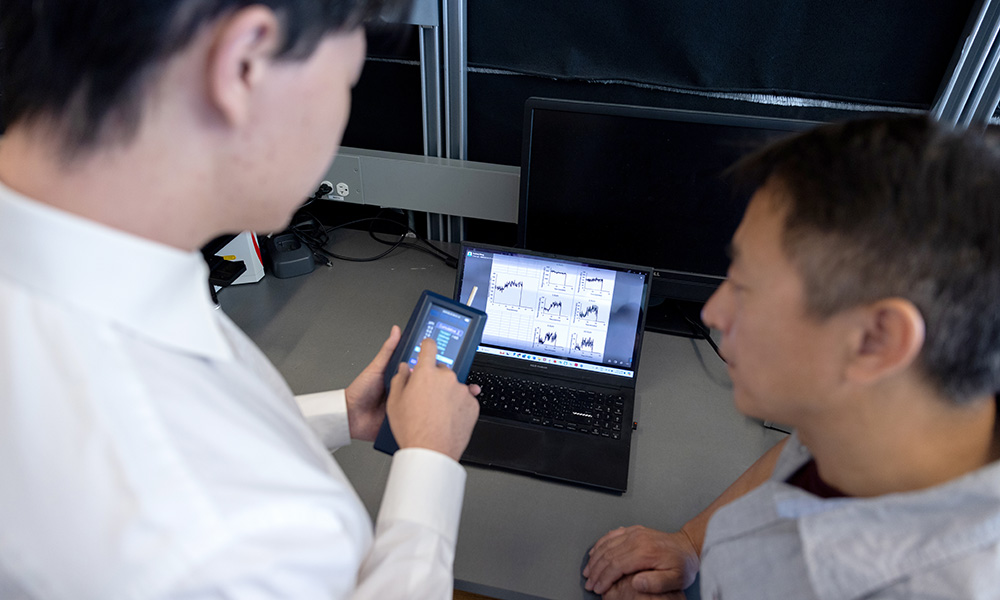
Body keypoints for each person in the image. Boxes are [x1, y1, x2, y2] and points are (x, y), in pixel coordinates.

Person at [0, 1, 483, 598]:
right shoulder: (232, 538)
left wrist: (340, 416)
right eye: (347, 83)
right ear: (246, 63)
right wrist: (430, 461)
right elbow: (201, 480)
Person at [583, 115, 1000, 599]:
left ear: (876, 340)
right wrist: (690, 542)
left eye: (746, 287)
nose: (714, 311)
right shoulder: (880, 415)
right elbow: (807, 442)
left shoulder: (937, 586)